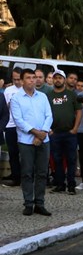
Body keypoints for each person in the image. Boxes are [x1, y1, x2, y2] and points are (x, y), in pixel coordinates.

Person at [10, 69, 53, 216]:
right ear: (22, 81)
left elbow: (49, 116)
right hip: (26, 141)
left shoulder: (43, 97)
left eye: (33, 77)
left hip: (43, 140)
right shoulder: (16, 98)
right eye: (28, 78)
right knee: (27, 173)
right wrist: (36, 133)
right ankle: (28, 203)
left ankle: (39, 203)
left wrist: (42, 134)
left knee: (42, 173)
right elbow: (19, 121)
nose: (32, 80)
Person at [45, 70, 82, 195]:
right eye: (55, 78)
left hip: (70, 133)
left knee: (71, 159)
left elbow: (79, 112)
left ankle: (71, 185)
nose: (57, 80)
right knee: (57, 159)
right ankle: (60, 184)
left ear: (64, 80)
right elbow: (44, 113)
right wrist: (48, 130)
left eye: (60, 78)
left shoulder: (71, 95)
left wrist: (75, 128)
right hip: (54, 133)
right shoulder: (48, 95)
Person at [3, 67, 23, 187]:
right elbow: (4, 107)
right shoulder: (8, 90)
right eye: (14, 79)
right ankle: (15, 176)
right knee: (12, 152)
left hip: (22, 126)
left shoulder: (26, 90)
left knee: (24, 152)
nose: (17, 82)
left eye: (19, 79)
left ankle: (23, 175)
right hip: (10, 124)